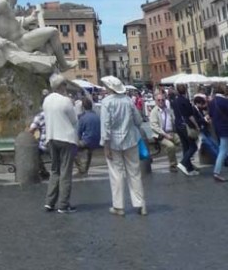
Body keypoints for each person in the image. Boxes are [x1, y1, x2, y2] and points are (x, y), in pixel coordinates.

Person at [100, 75, 147, 216]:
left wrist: (106, 145)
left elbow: (105, 125)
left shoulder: (106, 102)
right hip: (131, 140)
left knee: (116, 174)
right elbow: (138, 120)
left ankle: (119, 206)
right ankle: (141, 204)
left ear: (109, 88)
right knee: (135, 173)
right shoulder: (128, 101)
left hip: (113, 143)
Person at [43, 73, 78, 214]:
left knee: (55, 171)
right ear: (60, 86)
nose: (66, 87)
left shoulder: (46, 100)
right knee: (65, 172)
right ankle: (63, 204)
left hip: (51, 138)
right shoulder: (66, 101)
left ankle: (49, 202)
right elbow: (74, 120)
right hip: (66, 138)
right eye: (64, 84)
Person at [171, 84, 200, 176]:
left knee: (186, 147)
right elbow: (190, 115)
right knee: (193, 147)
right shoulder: (185, 101)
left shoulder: (174, 101)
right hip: (185, 126)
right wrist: (196, 126)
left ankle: (189, 169)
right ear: (185, 90)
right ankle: (183, 163)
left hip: (178, 125)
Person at [149, 92, 181, 172]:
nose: (161, 101)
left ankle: (186, 162)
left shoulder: (168, 110)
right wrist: (165, 135)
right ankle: (173, 165)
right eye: (159, 100)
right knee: (170, 146)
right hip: (161, 135)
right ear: (156, 101)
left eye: (162, 100)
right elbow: (154, 126)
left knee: (184, 141)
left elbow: (173, 121)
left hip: (171, 133)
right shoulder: (154, 112)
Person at [74, 96, 101, 176]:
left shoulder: (83, 118)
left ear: (83, 107)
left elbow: (78, 133)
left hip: (87, 141)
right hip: (97, 140)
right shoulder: (97, 116)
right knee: (88, 149)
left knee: (72, 149)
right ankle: (85, 168)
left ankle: (82, 169)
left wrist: (76, 141)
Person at [208, 84, 228, 183]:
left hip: (218, 128)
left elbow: (210, 115)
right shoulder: (225, 102)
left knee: (223, 148)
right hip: (225, 128)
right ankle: (217, 172)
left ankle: (217, 171)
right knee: (223, 150)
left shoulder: (212, 102)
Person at [28, 101, 50, 180]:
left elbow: (31, 130)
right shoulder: (57, 114)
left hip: (45, 144)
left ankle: (43, 171)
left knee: (34, 153)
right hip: (58, 141)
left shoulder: (40, 116)